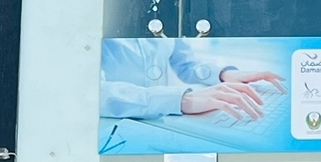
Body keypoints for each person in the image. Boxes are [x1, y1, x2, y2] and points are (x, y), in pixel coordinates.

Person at [101, 38, 285, 122]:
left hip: (162, 119)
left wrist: (223, 75)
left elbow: (186, 64)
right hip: (113, 125)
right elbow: (93, 92)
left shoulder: (165, 9)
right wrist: (182, 100)